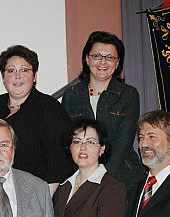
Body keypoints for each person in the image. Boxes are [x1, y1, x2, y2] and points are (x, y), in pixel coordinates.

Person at [0, 45, 73, 193]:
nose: (17, 76)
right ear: (3, 77)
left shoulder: (49, 108)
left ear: (35, 76)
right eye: (11, 70)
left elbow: (58, 162)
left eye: (24, 70)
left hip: (33, 194)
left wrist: (43, 200)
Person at [61, 31, 144, 197]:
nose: (103, 62)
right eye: (97, 55)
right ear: (87, 59)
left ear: (118, 62)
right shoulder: (71, 94)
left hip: (121, 179)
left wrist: (100, 179)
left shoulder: (128, 94)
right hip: (81, 177)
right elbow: (68, 139)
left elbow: (123, 143)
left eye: (110, 57)